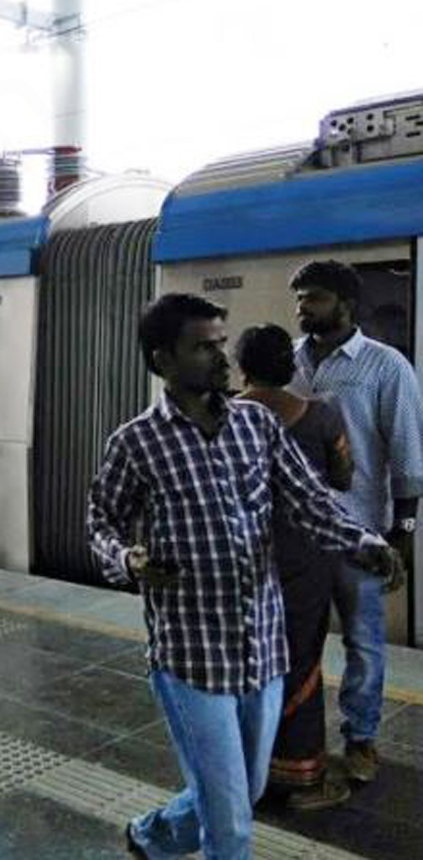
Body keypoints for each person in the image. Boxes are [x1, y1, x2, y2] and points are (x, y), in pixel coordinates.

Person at [87, 294, 401, 859]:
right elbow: (100, 523)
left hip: (263, 649)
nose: (220, 357)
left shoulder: (256, 425)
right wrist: (129, 561)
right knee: (231, 827)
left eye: (220, 343)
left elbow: (309, 502)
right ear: (162, 360)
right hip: (191, 659)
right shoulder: (135, 443)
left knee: (247, 790)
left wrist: (365, 542)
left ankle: (151, 837)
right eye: (202, 347)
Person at [289, 260, 423, 784]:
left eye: (315, 298)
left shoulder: (387, 367)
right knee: (298, 637)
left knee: (364, 642)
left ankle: (361, 738)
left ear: (347, 304)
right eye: (299, 297)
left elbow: (408, 456)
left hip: (362, 531)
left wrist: (405, 533)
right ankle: (297, 738)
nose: (303, 307)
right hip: (299, 533)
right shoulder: (290, 363)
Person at [236, 325, 354, 811]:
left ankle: (244, 771)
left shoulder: (223, 416)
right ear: (290, 367)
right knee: (301, 658)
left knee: (243, 659)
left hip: (241, 558)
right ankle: (302, 777)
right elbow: (344, 478)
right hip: (305, 558)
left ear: (241, 365)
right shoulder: (321, 417)